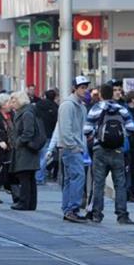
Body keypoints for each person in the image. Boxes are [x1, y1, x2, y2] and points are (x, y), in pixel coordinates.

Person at [84, 83, 134, 225]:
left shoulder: (95, 109)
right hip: (118, 151)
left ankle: (97, 214)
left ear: (100, 94)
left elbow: (86, 129)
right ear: (112, 94)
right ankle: (122, 215)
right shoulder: (121, 109)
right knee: (120, 183)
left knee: (98, 183)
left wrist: (96, 136)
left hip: (99, 150)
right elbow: (131, 128)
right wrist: (121, 137)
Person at [56, 76, 89, 223]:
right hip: (71, 148)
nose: (85, 90)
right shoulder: (68, 105)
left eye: (85, 87)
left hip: (75, 147)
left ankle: (68, 209)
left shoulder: (81, 106)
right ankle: (72, 208)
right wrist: (73, 146)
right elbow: (65, 129)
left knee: (70, 179)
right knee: (78, 177)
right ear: (74, 88)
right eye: (82, 87)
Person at [9, 91, 40, 211]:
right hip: (27, 150)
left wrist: (18, 142)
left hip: (26, 150)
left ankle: (24, 202)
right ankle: (30, 203)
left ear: (20, 100)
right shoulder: (26, 111)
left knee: (25, 176)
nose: (12, 103)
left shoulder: (26, 113)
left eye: (14, 101)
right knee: (29, 177)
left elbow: (28, 132)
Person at [35, 89, 59, 184]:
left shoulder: (38, 105)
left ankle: (39, 175)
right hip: (49, 134)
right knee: (45, 156)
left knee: (40, 155)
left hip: (38, 134)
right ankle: (39, 176)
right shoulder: (55, 107)